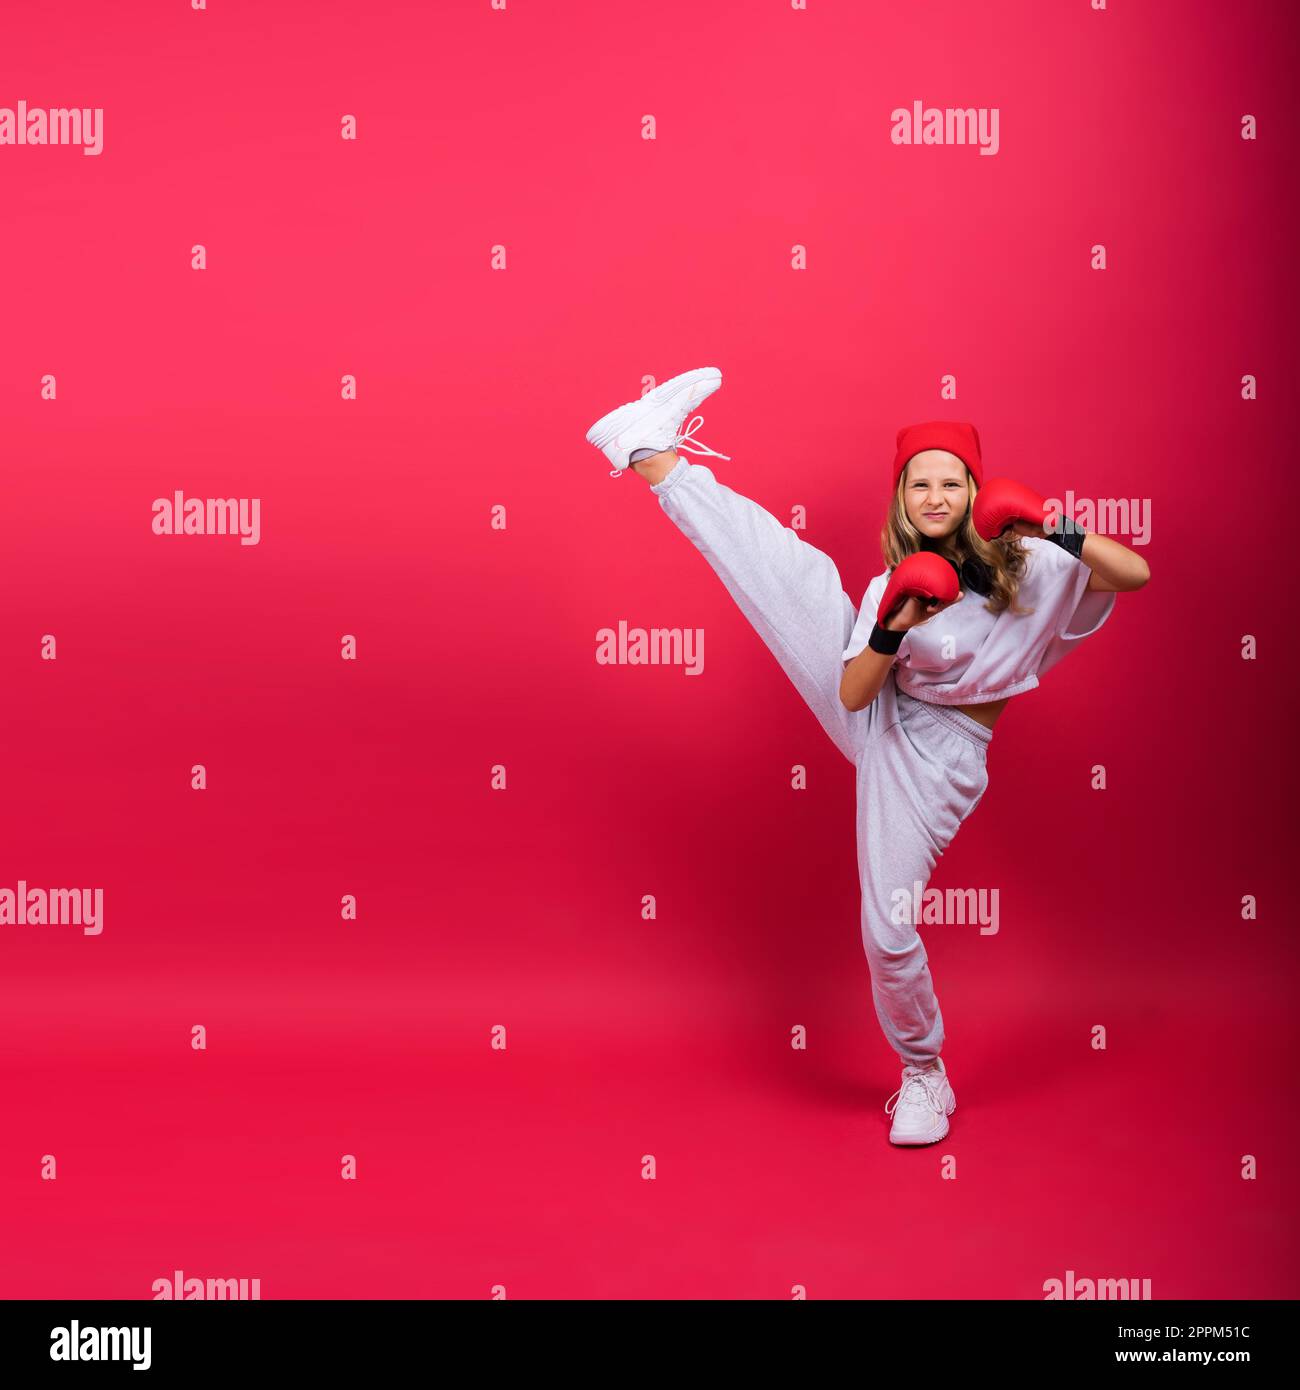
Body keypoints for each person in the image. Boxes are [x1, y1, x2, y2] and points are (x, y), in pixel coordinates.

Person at [584, 367, 1150, 1145]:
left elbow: (1135, 574)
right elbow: (853, 696)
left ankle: (925, 1074)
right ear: (903, 499)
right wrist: (891, 624)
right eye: (919, 485)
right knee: (797, 579)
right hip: (879, 711)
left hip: (934, 761)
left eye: (952, 482)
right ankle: (656, 460)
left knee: (886, 930)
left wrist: (1051, 526)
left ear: (976, 492)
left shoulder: (1033, 566)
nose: (936, 497)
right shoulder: (893, 580)